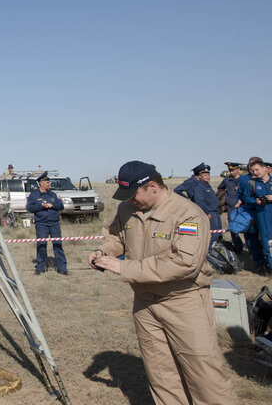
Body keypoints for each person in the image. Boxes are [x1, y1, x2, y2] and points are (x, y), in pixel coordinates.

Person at [90, 161, 240, 405]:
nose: (129, 201)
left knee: (205, 376)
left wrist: (124, 267)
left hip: (183, 302)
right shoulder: (128, 209)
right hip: (145, 304)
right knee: (162, 376)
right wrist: (103, 251)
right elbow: (117, 236)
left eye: (133, 194)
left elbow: (184, 264)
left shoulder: (188, 214)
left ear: (152, 187)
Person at [26, 172, 67, 275]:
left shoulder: (52, 194)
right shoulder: (34, 194)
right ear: (41, 183)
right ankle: (40, 268)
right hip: (41, 224)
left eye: (49, 182)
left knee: (58, 245)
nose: (49, 183)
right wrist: (41, 206)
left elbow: (60, 206)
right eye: (47, 182)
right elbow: (30, 208)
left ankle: (62, 268)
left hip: (54, 223)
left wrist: (52, 205)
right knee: (41, 245)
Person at [173, 163, 222, 246]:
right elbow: (177, 190)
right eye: (204, 175)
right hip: (202, 209)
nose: (207, 177)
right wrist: (187, 199)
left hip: (212, 210)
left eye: (208, 175)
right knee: (210, 235)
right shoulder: (194, 184)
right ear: (199, 175)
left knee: (218, 234)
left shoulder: (205, 184)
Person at [239, 157, 272, 275]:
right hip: (263, 217)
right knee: (268, 244)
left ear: (265, 168)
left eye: (257, 170)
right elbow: (245, 197)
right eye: (252, 171)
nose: (255, 173)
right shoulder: (252, 183)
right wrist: (256, 201)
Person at [218, 162, 245, 254]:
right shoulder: (227, 180)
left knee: (246, 227)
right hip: (231, 207)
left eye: (233, 170)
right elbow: (220, 188)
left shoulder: (244, 179)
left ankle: (249, 247)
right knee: (233, 228)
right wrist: (226, 198)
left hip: (243, 207)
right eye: (230, 170)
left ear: (238, 169)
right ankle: (238, 248)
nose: (231, 172)